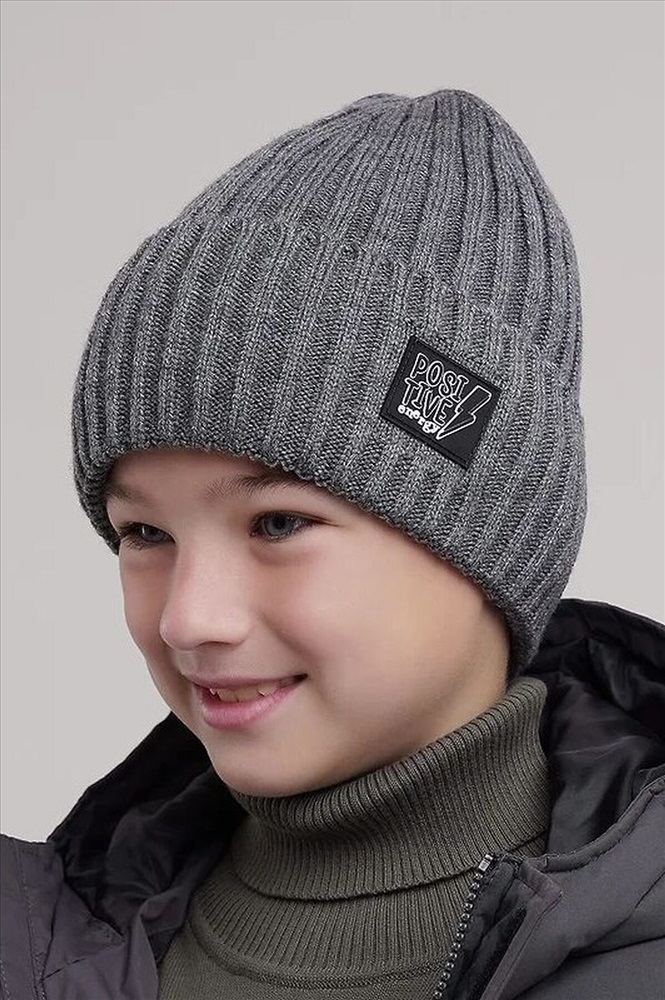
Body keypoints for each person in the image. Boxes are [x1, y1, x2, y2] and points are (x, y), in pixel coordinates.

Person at [1, 88, 663, 1000]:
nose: (189, 619)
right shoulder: (34, 945)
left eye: (277, 523)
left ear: (488, 543)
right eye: (144, 532)